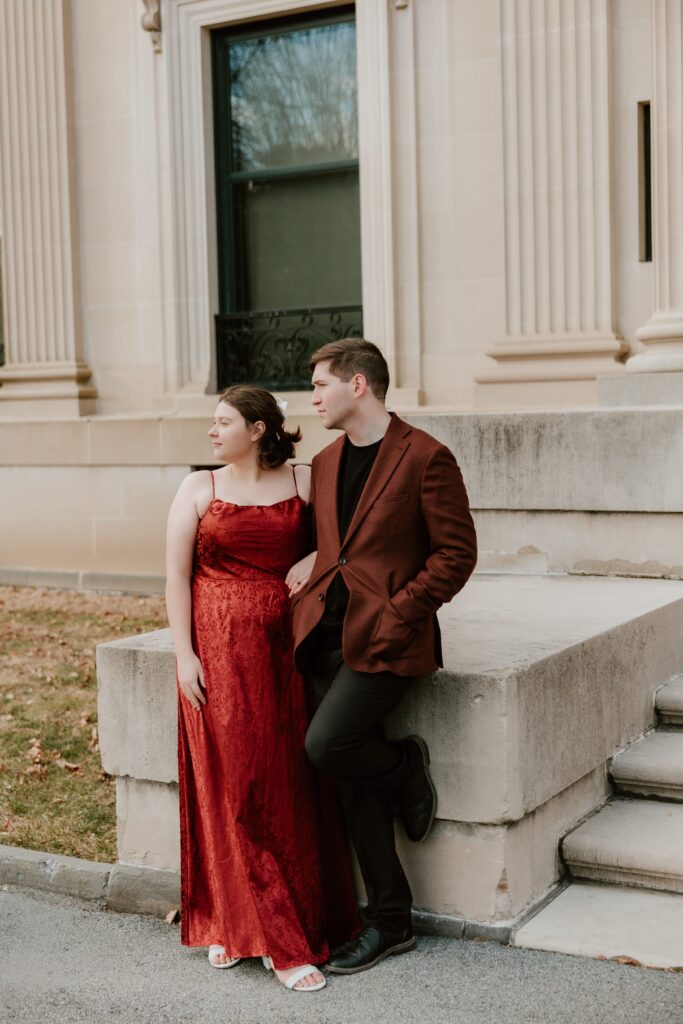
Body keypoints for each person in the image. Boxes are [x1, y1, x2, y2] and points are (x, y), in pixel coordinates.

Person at [289, 338, 478, 975]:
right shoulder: (323, 460)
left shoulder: (425, 456)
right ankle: (390, 920)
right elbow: (332, 547)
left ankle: (402, 766)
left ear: (358, 385)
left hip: (386, 640)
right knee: (346, 778)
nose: (312, 396)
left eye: (320, 384)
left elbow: (455, 555)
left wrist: (400, 611)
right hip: (323, 635)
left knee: (329, 746)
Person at [165, 384, 360, 992]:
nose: (212, 431)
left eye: (223, 422)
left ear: (257, 428)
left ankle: (273, 922)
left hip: (285, 655)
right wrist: (183, 656)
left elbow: (351, 542)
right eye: (212, 422)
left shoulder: (302, 482)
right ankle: (248, 927)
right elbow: (174, 577)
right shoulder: (198, 488)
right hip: (216, 660)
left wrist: (318, 557)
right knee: (231, 786)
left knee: (283, 785)